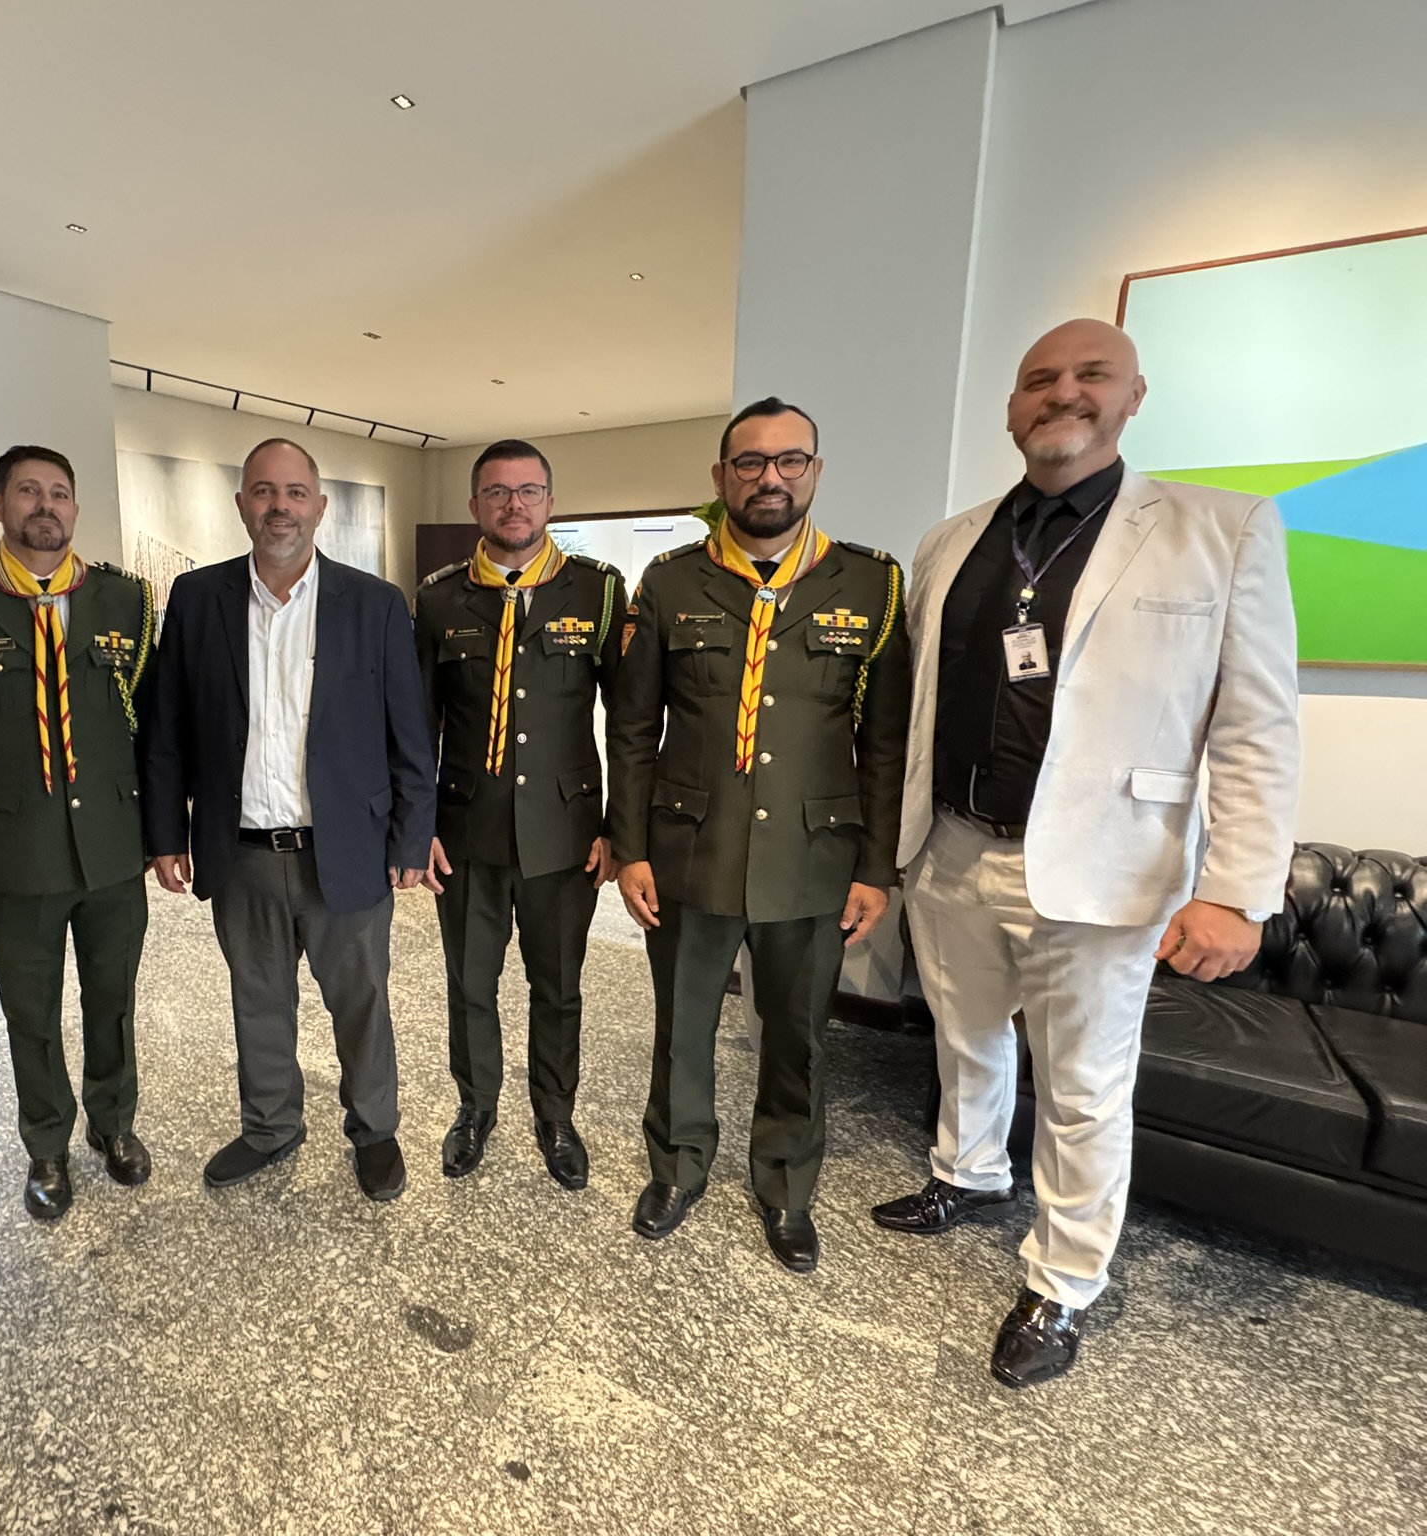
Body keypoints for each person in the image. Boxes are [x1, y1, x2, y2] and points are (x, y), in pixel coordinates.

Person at [872, 319, 1298, 1388]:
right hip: (950, 846)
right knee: (965, 1037)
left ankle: (1061, 1284)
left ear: (1132, 396)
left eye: (1090, 375)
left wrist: (1236, 891)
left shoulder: (1220, 529)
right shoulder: (950, 541)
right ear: (1012, 408)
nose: (1061, 394)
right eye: (1038, 380)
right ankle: (968, 1171)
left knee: (1082, 1089)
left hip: (1106, 867)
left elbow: (1255, 726)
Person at [608, 398, 910, 1269]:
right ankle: (678, 1166)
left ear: (815, 472)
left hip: (813, 858)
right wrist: (630, 849)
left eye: (789, 461)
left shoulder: (871, 584)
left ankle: (784, 1185)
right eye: (749, 462)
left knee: (798, 1036)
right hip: (688, 851)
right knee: (683, 1026)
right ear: (722, 476)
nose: (769, 477)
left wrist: (876, 867)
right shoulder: (670, 581)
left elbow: (884, 744)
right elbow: (633, 729)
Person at [139, 438, 435, 1202]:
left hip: (347, 851)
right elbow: (167, 729)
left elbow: (410, 737)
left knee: (362, 1002)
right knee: (259, 1002)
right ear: (242, 504)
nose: (280, 507)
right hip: (240, 853)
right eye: (265, 492)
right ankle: (270, 1127)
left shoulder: (374, 604)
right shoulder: (196, 600)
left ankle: (375, 1130)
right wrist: (165, 834)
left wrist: (411, 837)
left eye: (295, 492)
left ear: (319, 507)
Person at [0, 445, 156, 1221]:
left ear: (75, 508)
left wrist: (165, 832)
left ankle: (113, 1124)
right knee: (32, 1011)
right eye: (27, 491)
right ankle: (46, 1143)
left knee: (113, 1000)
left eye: (59, 493)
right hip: (17, 851)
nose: (45, 506)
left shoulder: (127, 600)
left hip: (114, 844)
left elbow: (154, 728)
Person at [414, 439, 625, 1189]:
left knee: (557, 986)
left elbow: (630, 721)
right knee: (470, 983)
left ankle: (555, 1114)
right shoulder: (440, 598)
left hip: (565, 833)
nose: (514, 505)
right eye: (498, 492)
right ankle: (475, 1107)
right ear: (474, 504)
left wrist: (620, 831)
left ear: (550, 502)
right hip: (466, 831)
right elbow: (419, 726)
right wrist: (417, 827)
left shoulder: (597, 591)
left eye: (529, 490)